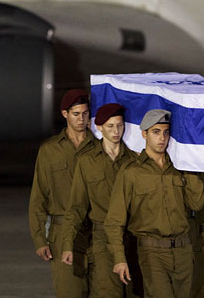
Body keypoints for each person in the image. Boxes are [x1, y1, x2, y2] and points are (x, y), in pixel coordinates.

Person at [105, 109, 204, 298]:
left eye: (166, 132)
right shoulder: (131, 172)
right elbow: (114, 220)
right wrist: (119, 258)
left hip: (183, 251)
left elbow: (196, 204)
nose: (162, 138)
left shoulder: (179, 168)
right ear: (144, 134)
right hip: (151, 252)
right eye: (156, 132)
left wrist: (190, 169)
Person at [61, 103, 137, 298]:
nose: (116, 131)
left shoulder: (134, 161)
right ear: (100, 127)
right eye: (110, 126)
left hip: (134, 237)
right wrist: (67, 243)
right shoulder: (87, 161)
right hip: (102, 238)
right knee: (107, 291)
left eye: (120, 125)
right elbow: (76, 206)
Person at [29, 89, 96, 298]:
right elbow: (38, 196)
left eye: (85, 113)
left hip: (97, 233)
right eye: (76, 114)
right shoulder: (49, 150)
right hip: (62, 232)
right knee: (69, 292)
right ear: (65, 114)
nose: (81, 119)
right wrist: (39, 239)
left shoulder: (100, 147)